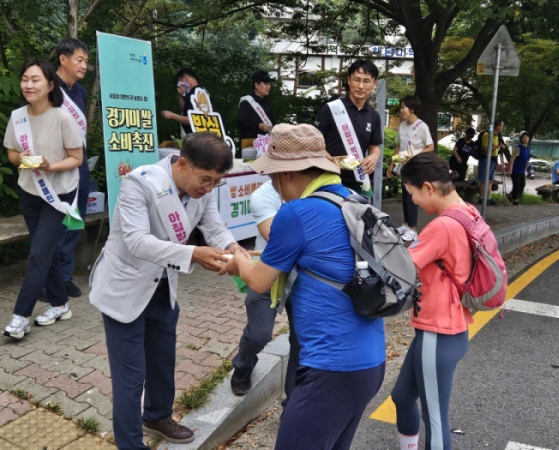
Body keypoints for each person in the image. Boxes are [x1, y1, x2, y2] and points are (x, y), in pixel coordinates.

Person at [220, 124, 386, 450]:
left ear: (286, 175)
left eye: (272, 176)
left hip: (331, 370)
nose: (273, 184)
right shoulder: (350, 200)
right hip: (369, 362)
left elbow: (257, 280)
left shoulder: (297, 212)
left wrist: (238, 260)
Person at [88, 132, 245, 449]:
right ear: (183, 164)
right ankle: (130, 444)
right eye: (206, 180)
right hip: (125, 290)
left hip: (162, 288)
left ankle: (156, 418)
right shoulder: (140, 182)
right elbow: (136, 241)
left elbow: (212, 223)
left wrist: (232, 246)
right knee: (130, 378)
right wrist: (193, 254)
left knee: (162, 363)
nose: (209, 188)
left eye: (217, 182)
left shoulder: (203, 185)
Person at [391, 152, 474, 450]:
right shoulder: (466, 212)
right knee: (401, 396)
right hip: (447, 327)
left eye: (411, 193)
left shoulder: (441, 227)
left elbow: (400, 268)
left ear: (427, 188)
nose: (412, 201)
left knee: (436, 421)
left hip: (438, 332)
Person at [3, 59, 83, 339]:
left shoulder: (63, 117)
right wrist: (22, 158)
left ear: (50, 85)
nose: (28, 85)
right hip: (30, 192)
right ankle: (60, 304)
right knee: (44, 254)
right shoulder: (18, 117)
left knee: (38, 254)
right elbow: (12, 154)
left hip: (58, 195)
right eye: (25, 79)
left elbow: (77, 158)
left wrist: (51, 166)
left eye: (35, 80)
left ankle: (20, 316)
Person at [230, 180, 299, 402]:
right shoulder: (263, 195)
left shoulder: (320, 192)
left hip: (305, 276)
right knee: (258, 335)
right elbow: (277, 240)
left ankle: (292, 405)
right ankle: (244, 363)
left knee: (302, 342)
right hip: (268, 270)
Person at [52, 37, 90, 298]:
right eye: (80, 60)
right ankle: (49, 280)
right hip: (55, 166)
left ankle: (64, 276)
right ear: (63, 59)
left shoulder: (80, 91)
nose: (84, 66)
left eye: (86, 61)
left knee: (74, 221)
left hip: (81, 165)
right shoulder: (46, 87)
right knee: (54, 224)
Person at [315, 59, 382, 195]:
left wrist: (374, 157)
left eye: (366, 81)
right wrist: (331, 159)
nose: (361, 86)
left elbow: (374, 147)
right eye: (356, 80)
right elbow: (313, 143)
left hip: (359, 181)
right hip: (328, 179)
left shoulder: (374, 115)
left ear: (374, 84)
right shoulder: (331, 108)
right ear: (349, 80)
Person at [387, 95, 434, 242]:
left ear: (412, 109)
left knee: (412, 197)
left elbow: (430, 147)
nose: (401, 110)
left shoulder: (422, 127)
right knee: (405, 196)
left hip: (415, 167)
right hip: (403, 166)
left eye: (403, 107)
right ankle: (406, 225)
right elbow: (398, 146)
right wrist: (391, 165)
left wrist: (415, 156)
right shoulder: (402, 125)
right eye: (401, 107)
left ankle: (413, 229)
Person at [161, 68, 212, 138]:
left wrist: (172, 115)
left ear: (185, 79)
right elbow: (186, 111)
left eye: (179, 81)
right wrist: (180, 96)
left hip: (196, 139)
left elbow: (194, 119)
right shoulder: (201, 91)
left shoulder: (196, 92)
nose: (179, 85)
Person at [238, 71, 276, 150]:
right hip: (250, 144)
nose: (269, 87)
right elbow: (241, 122)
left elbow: (272, 121)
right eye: (265, 84)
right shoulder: (246, 101)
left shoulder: (267, 102)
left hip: (266, 144)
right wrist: (258, 125)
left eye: (269, 84)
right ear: (256, 85)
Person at [478, 119, 506, 206]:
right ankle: (482, 198)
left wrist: (496, 160)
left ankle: (488, 198)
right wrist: (499, 146)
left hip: (493, 159)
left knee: (490, 180)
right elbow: (486, 148)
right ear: (497, 126)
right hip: (486, 159)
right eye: (501, 125)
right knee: (484, 179)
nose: (502, 127)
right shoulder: (487, 135)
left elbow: (494, 150)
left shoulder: (497, 136)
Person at [507, 131, 531, 206]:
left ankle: (510, 195)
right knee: (516, 185)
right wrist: (510, 169)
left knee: (522, 185)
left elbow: (527, 159)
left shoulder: (527, 148)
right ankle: (515, 200)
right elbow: (512, 159)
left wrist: (526, 168)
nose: (526, 139)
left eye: (527, 137)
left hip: (522, 171)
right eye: (524, 137)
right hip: (515, 170)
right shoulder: (518, 148)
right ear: (521, 139)